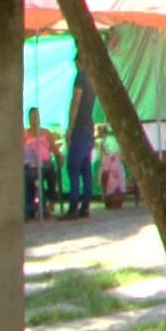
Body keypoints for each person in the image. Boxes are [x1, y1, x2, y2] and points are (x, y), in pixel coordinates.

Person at [58, 52, 96, 220]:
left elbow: (75, 101)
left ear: (80, 62)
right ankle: (85, 205)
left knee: (73, 167)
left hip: (80, 127)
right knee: (85, 168)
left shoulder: (80, 78)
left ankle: (73, 207)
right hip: (89, 126)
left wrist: (70, 127)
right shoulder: (93, 80)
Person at [23, 106, 60, 220]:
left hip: (46, 163)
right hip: (31, 164)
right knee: (30, 176)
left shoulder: (46, 132)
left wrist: (59, 157)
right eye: (32, 117)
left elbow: (55, 149)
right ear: (28, 119)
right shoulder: (25, 134)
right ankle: (33, 208)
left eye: (36, 116)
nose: (34, 119)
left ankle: (50, 205)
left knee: (51, 173)